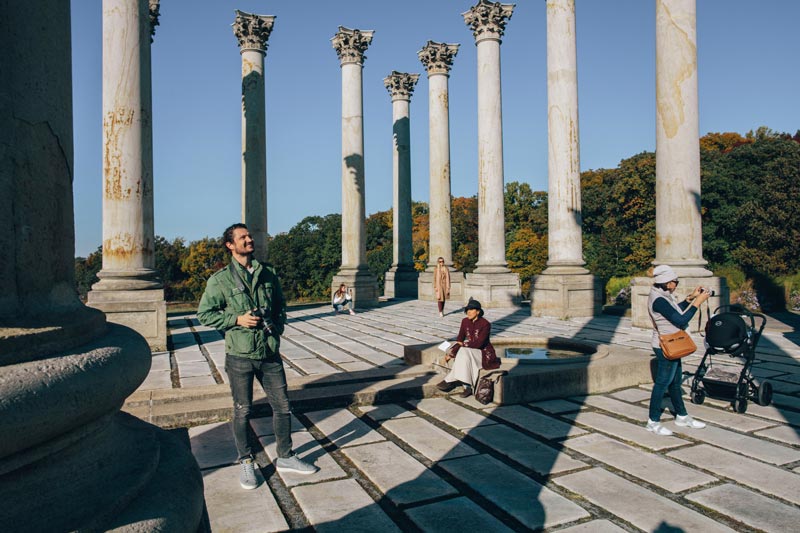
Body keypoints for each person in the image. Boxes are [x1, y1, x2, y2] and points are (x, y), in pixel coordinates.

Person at [197, 223, 318, 490]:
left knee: (283, 406)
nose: (250, 240)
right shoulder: (220, 280)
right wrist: (236, 319)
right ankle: (246, 461)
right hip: (240, 354)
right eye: (243, 237)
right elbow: (204, 314)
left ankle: (285, 456)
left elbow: (280, 307)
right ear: (230, 245)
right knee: (243, 410)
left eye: (249, 236)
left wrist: (277, 331)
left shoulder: (268, 272)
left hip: (269, 352)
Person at [645, 264, 710, 436]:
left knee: (675, 382)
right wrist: (698, 302)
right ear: (667, 282)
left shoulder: (662, 295)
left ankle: (681, 416)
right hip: (666, 345)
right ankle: (652, 421)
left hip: (674, 344)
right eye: (675, 281)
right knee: (662, 383)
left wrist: (690, 298)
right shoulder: (658, 300)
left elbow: (674, 311)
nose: (677, 284)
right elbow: (680, 320)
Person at [436, 298, 501, 397]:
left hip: (483, 353)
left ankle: (449, 380)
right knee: (464, 354)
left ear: (478, 311)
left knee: (463, 351)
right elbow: (459, 340)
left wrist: (464, 345)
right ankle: (467, 387)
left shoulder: (485, 324)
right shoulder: (464, 321)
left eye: (471, 310)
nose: (469, 312)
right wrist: (451, 354)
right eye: (467, 310)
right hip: (468, 353)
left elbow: (479, 343)